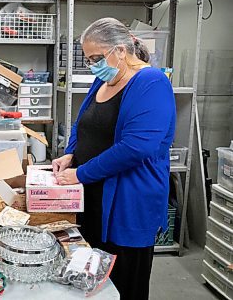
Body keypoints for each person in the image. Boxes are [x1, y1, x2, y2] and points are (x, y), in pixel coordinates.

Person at [52, 18, 176, 300]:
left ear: (121, 50)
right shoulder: (104, 78)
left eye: (97, 57)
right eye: (88, 59)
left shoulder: (151, 82)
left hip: (127, 204)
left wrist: (81, 174)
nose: (92, 64)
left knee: (123, 283)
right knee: (92, 278)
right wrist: (71, 154)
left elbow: (137, 147)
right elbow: (83, 123)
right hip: (94, 198)